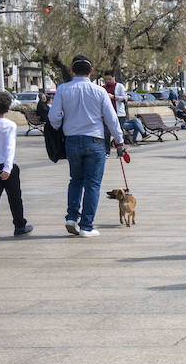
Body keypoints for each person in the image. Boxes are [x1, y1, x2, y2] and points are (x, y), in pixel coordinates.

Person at [47, 55, 127, 237]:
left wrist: (60, 125)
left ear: (72, 70)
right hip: (95, 140)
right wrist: (119, 141)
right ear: (91, 71)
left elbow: (53, 117)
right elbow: (111, 118)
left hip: (72, 140)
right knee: (92, 184)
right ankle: (86, 226)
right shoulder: (99, 91)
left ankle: (71, 217)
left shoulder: (62, 89)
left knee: (75, 180)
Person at [0, 89, 32, 239]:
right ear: (7, 107)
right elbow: (10, 147)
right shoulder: (9, 125)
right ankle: (20, 225)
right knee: (14, 197)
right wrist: (7, 168)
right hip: (8, 166)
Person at [103, 71, 145, 144]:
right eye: (106, 79)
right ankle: (107, 151)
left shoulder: (119, 86)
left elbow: (125, 98)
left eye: (109, 79)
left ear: (113, 78)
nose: (107, 81)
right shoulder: (103, 87)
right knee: (106, 132)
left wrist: (113, 97)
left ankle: (120, 148)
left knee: (119, 132)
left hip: (119, 114)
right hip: (107, 113)